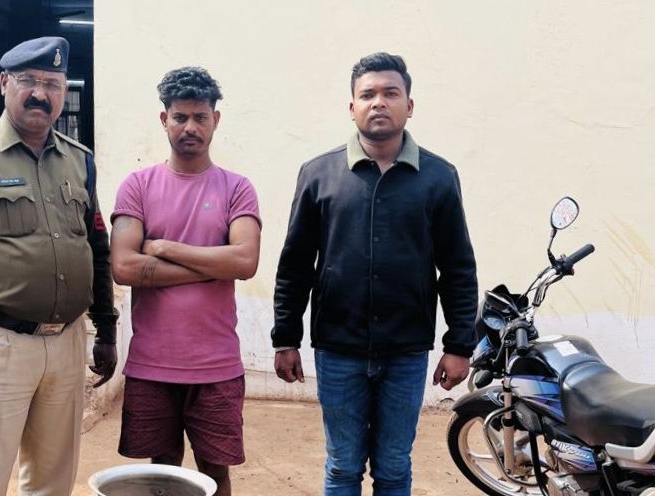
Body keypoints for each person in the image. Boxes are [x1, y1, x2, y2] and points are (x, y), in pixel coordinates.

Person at [271, 52, 478, 496]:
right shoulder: (319, 174)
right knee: (343, 466)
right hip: (338, 349)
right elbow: (295, 265)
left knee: (394, 467)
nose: (378, 102)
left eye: (390, 93)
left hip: (406, 351)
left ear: (409, 105)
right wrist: (285, 338)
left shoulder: (438, 177)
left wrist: (459, 345)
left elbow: (458, 267)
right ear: (352, 107)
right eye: (367, 95)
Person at [0, 36, 119, 496]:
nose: (40, 94)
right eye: (28, 80)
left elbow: (97, 247)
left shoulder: (80, 161)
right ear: (4, 83)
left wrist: (105, 328)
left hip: (67, 343)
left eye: (52, 84)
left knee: (52, 481)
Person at [109, 66, 261, 496]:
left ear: (216, 119)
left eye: (200, 117)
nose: (190, 127)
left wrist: (164, 248)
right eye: (180, 117)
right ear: (164, 120)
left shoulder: (237, 188)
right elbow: (124, 267)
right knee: (162, 473)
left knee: (216, 474)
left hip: (216, 365)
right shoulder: (138, 186)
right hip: (152, 363)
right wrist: (214, 264)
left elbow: (245, 260)